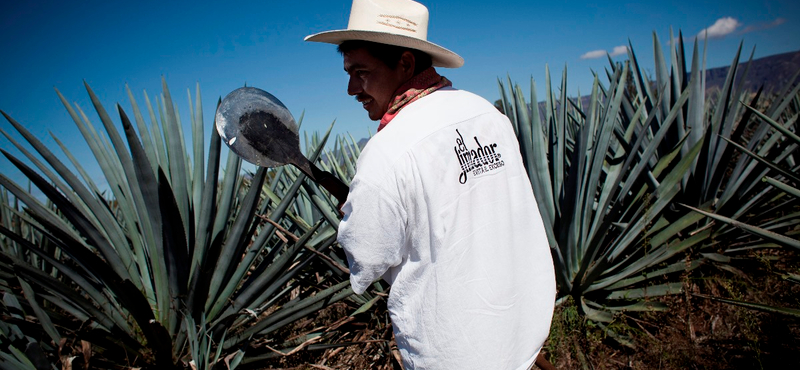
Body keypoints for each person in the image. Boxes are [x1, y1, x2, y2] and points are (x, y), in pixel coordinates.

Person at [305, 0, 556, 369]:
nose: (350, 89)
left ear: (405, 63)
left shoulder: (386, 152)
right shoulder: (486, 113)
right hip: (523, 332)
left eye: (361, 72)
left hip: (455, 353)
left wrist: (355, 219)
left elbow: (368, 260)